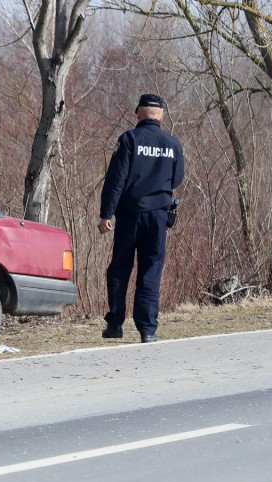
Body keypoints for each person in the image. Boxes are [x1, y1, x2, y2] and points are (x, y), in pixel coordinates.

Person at [98, 94, 185, 343]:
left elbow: (116, 180)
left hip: (129, 215)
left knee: (119, 269)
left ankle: (115, 323)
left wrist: (106, 214)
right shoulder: (172, 143)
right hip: (158, 216)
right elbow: (177, 178)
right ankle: (148, 329)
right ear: (161, 116)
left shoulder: (129, 139)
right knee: (151, 270)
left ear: (138, 113)